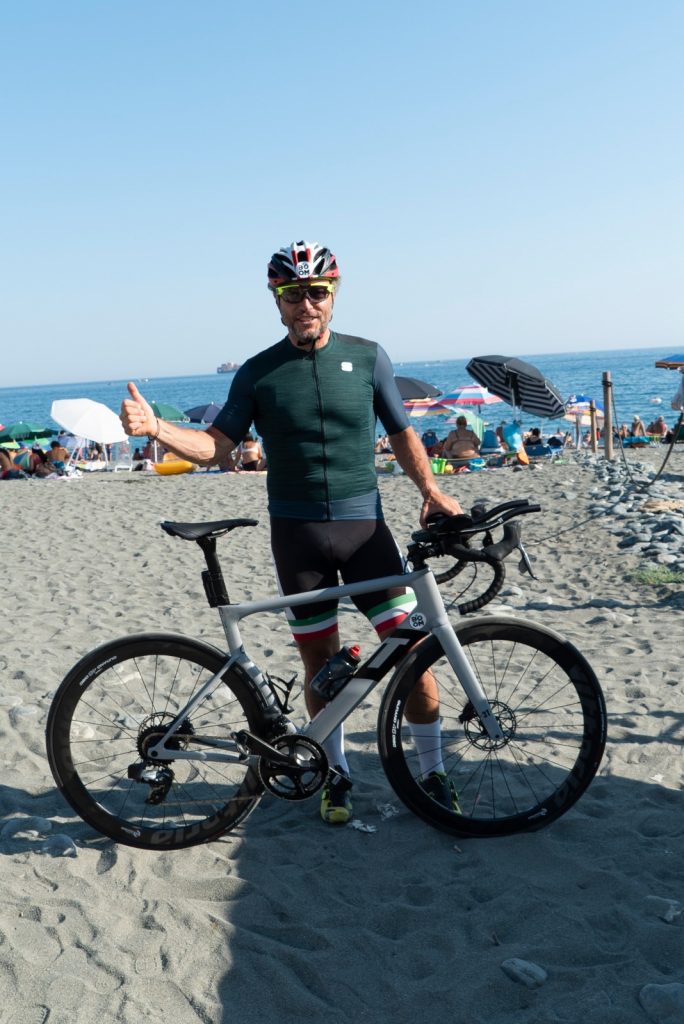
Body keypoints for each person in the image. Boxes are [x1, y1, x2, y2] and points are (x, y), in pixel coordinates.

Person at [121, 239, 463, 825]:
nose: (306, 303)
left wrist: (430, 491)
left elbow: (405, 434)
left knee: (415, 659)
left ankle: (431, 771)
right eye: (292, 293)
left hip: (366, 533)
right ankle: (333, 776)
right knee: (319, 666)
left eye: (316, 292)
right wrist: (158, 428)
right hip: (298, 537)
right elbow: (216, 448)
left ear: (333, 296)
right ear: (276, 300)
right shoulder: (258, 373)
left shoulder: (369, 357)